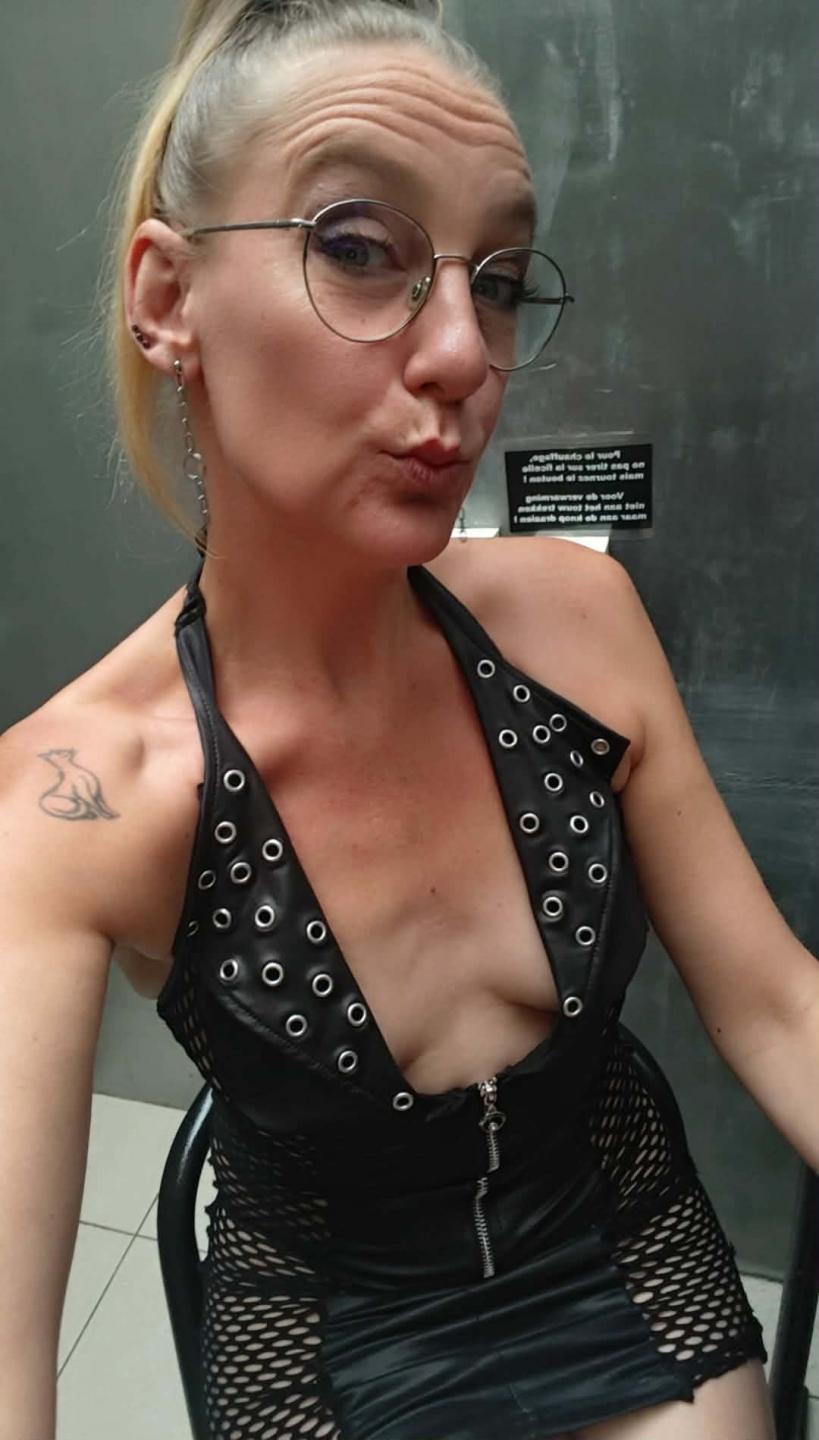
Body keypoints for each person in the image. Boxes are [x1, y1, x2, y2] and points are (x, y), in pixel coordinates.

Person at [2, 1, 817, 1437]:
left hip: (614, 1232)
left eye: (497, 280)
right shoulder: (79, 802)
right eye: (360, 249)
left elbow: (778, 1005)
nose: (463, 353)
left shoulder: (576, 623)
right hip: (333, 1317)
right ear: (170, 297)